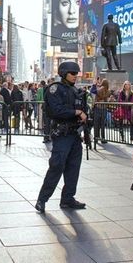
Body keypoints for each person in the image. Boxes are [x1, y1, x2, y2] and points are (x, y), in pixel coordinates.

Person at [35, 61, 88, 213]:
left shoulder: (76, 91)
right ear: (64, 73)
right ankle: (42, 200)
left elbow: (83, 109)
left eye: (76, 74)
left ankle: (67, 199)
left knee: (73, 169)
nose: (75, 77)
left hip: (75, 135)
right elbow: (57, 110)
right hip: (62, 134)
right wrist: (76, 113)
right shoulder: (55, 89)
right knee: (56, 167)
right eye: (72, 74)